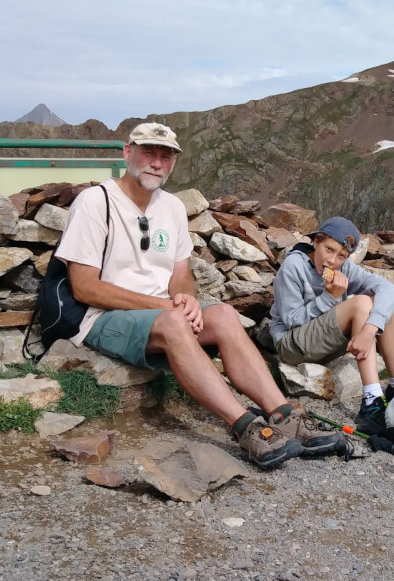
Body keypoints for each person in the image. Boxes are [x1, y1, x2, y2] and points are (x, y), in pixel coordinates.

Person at [58, 122, 343, 471]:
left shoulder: (172, 208)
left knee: (222, 314)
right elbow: (84, 286)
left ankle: (283, 414)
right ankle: (245, 426)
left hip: (161, 313)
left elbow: (180, 274)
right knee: (176, 321)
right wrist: (167, 305)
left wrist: (187, 298)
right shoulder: (95, 202)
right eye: (149, 152)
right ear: (128, 152)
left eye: (166, 156)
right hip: (103, 317)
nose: (157, 163)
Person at [270, 216, 394, 434]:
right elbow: (291, 321)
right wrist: (329, 297)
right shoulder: (293, 266)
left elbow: (388, 289)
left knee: (381, 306)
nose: (332, 260)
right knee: (362, 303)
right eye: (328, 249)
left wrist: (370, 330)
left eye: (342, 255)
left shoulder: (345, 269)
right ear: (315, 242)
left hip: (322, 344)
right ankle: (371, 401)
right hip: (292, 345)